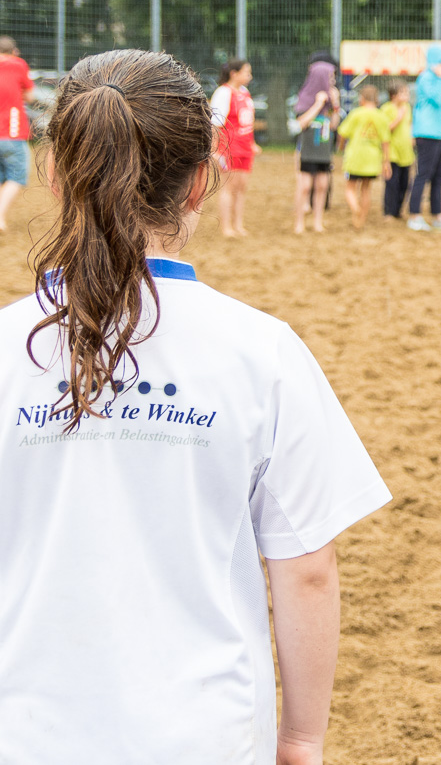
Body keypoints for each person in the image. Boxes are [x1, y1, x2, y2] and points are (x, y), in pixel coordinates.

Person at [0, 48, 390, 765]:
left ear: (54, 176)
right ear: (199, 184)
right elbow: (305, 568)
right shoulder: (262, 351)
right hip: (203, 735)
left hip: (25, 733)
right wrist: (302, 738)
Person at [408, 43, 441, 231]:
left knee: (439, 175)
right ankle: (415, 215)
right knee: (423, 174)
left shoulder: (440, 79)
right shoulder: (427, 78)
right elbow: (437, 100)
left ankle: (438, 215)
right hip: (426, 132)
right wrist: (440, 77)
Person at [210, 59, 260, 237]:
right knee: (228, 187)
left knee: (241, 187)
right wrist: (215, 150)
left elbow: (248, 121)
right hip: (228, 148)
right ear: (234, 73)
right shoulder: (223, 93)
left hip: (245, 147)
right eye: (247, 72)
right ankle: (226, 227)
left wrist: (252, 144)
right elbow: (215, 124)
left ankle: (238, 224)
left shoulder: (245, 93)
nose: (250, 76)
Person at [337, 85, 391, 230]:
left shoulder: (356, 113)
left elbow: (343, 133)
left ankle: (356, 209)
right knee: (366, 189)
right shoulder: (381, 116)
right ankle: (361, 221)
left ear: (361, 99)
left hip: (356, 156)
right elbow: (386, 141)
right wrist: (386, 161)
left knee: (350, 188)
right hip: (372, 158)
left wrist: (341, 147)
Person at [292, 86, 340, 235]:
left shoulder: (330, 105)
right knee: (304, 187)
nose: (331, 82)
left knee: (322, 186)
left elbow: (334, 125)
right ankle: (299, 223)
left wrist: (336, 102)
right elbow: (301, 123)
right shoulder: (306, 101)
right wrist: (318, 103)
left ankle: (318, 222)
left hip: (324, 154)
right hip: (308, 153)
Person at [0, 37, 34, 232]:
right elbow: (29, 96)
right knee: (16, 175)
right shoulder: (17, 64)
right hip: (11, 133)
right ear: (13, 51)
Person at [380, 83, 415, 221]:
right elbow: (385, 129)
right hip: (392, 153)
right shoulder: (386, 109)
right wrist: (399, 117)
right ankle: (388, 212)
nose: (406, 96)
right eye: (403, 93)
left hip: (406, 153)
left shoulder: (407, 108)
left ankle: (398, 211)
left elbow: (410, 124)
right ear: (393, 95)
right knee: (391, 184)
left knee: (405, 184)